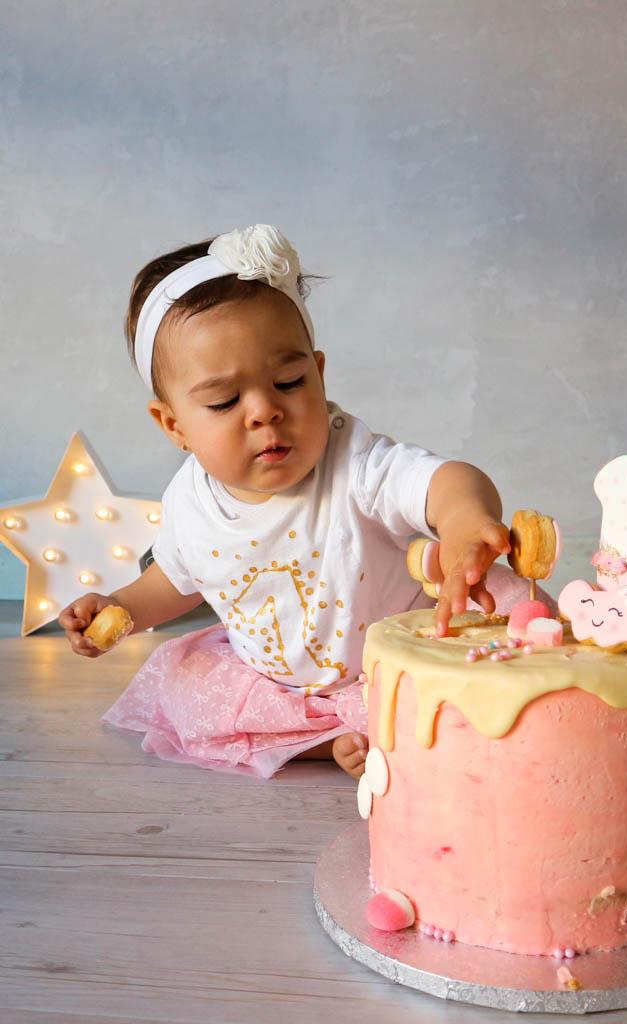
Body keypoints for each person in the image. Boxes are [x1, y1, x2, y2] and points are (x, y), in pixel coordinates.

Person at [59, 224, 533, 780]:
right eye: (224, 401)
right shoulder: (191, 500)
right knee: (189, 689)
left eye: (288, 381)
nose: (264, 410)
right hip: (276, 680)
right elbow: (176, 580)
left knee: (486, 653)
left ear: (319, 373)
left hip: (398, 657)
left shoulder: (353, 461)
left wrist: (464, 520)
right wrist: (121, 608)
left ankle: (364, 728)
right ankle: (326, 739)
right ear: (174, 425)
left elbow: (443, 480)